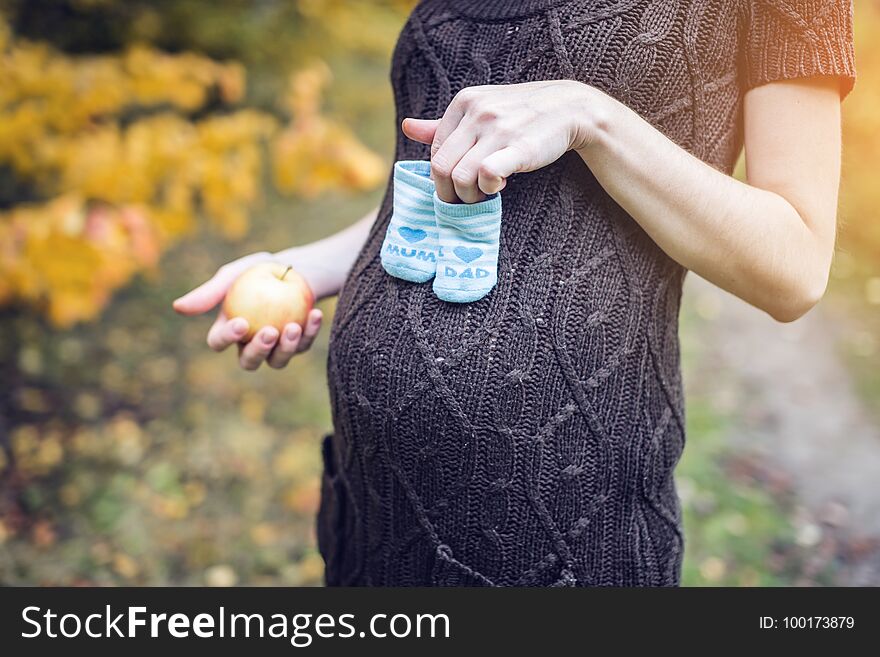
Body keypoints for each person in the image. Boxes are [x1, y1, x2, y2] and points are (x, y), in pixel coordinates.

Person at [173, 0, 855, 586]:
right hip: (374, 503)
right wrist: (302, 267)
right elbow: (433, 197)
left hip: (559, 533)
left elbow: (794, 266)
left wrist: (590, 115)